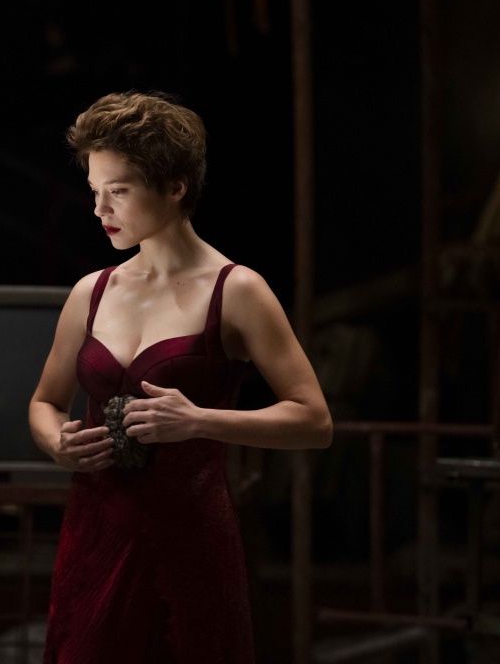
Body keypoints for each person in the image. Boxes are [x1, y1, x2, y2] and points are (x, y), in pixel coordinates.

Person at [28, 90, 332, 664]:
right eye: (95, 191)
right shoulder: (92, 291)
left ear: (174, 187)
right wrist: (57, 444)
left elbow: (315, 421)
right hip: (94, 536)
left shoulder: (238, 290)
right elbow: (45, 402)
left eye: (118, 191)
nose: (99, 209)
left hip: (189, 543)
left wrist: (199, 420)